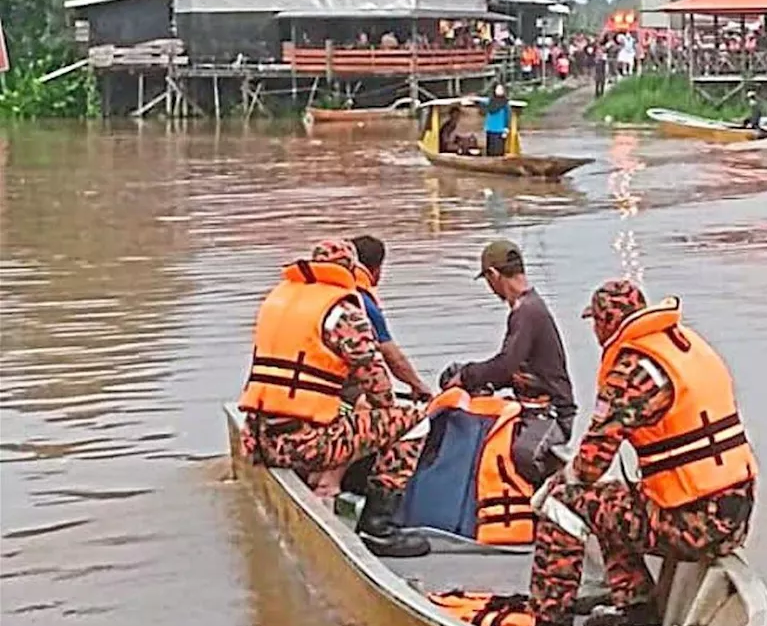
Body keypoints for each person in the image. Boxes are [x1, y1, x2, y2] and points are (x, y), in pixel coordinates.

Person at [526, 280, 758, 626]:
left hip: (695, 522)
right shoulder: (684, 348)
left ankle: (548, 620)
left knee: (566, 503)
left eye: (594, 323)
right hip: (732, 516)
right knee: (612, 502)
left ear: (605, 322)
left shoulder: (634, 371)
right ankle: (636, 609)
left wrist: (554, 484)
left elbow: (590, 464)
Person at [238, 239, 430, 557]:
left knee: (347, 413)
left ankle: (326, 483)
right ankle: (378, 528)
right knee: (414, 422)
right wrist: (388, 412)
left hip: (260, 440)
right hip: (305, 446)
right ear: (350, 270)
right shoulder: (341, 311)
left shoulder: (277, 303)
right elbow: (377, 383)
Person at [441, 239, 576, 487]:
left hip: (553, 413)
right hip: (528, 405)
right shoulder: (523, 309)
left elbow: (505, 364)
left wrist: (467, 375)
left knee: (523, 455)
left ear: (493, 275)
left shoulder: (528, 312)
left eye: (488, 280)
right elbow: (511, 371)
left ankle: (557, 499)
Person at [350, 235, 433, 402]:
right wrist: (417, 385)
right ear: (376, 269)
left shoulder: (317, 293)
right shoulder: (360, 301)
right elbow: (391, 354)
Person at [480, 84, 511, 157]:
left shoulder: (505, 103)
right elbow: (483, 109)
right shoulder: (490, 101)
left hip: (499, 130)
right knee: (490, 151)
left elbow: (507, 116)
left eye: (501, 89)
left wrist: (506, 128)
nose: (499, 91)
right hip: (490, 129)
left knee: (498, 151)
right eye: (497, 89)